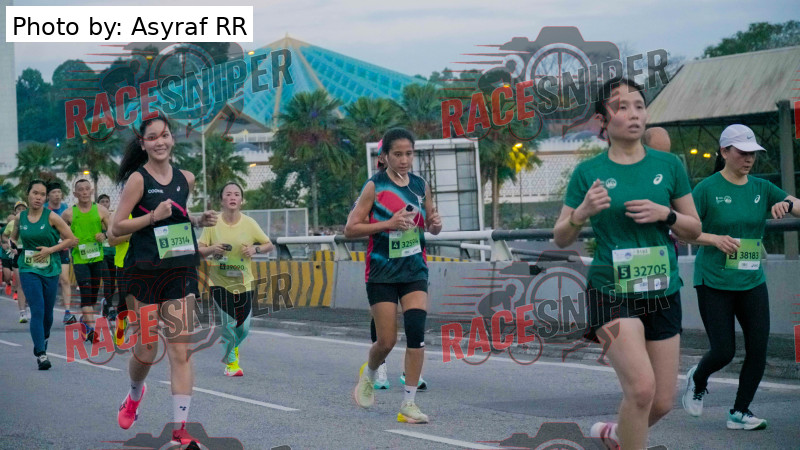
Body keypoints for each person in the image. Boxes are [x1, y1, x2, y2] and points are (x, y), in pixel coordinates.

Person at [553, 78, 701, 449]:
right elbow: (561, 236)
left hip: (662, 290)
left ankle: (617, 434)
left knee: (662, 401)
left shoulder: (669, 165)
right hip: (611, 290)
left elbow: (695, 229)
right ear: (602, 119)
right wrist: (581, 213)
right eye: (621, 107)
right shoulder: (588, 173)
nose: (633, 114)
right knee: (641, 389)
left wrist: (666, 214)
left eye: (639, 105)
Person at [681, 124, 799, 430]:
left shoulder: (761, 188)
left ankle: (740, 412)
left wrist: (787, 204)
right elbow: (682, 232)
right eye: (742, 152)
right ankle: (698, 378)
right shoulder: (706, 189)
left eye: (753, 154)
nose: (749, 159)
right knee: (724, 351)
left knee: (758, 349)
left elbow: (799, 206)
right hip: (713, 281)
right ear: (724, 152)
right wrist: (714, 240)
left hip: (751, 280)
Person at [112, 114, 217, 446]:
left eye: (165, 135)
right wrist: (151, 217)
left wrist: (197, 219)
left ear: (172, 139)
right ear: (143, 143)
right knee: (147, 349)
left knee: (181, 350)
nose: (160, 142)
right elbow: (116, 228)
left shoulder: (187, 178)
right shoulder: (137, 180)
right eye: (153, 137)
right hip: (144, 272)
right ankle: (134, 394)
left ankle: (180, 429)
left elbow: (177, 217)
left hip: (179, 268)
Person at [346, 128, 442, 424]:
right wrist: (387, 223)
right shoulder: (374, 186)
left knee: (416, 334)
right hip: (382, 272)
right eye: (397, 154)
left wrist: (435, 224)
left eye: (409, 154)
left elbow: (430, 224)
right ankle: (369, 373)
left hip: (414, 269)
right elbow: (351, 228)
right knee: (386, 341)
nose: (404, 160)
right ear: (385, 156)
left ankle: (409, 404)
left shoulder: (420, 185)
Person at [198, 182, 273, 377]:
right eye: (228, 194)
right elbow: (199, 250)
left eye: (236, 194)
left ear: (241, 200)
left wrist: (255, 249)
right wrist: (213, 249)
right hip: (219, 281)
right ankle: (231, 363)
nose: (232, 197)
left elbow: (268, 244)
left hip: (244, 282)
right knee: (229, 322)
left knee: (244, 327)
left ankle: (234, 347)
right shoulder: (212, 224)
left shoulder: (249, 223)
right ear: (222, 200)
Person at [12, 180, 78, 370]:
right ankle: (41, 354)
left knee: (48, 315)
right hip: (28, 268)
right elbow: (13, 238)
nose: (38, 197)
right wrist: (12, 246)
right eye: (35, 193)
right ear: (28, 194)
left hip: (50, 269)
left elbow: (72, 239)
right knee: (38, 310)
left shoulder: (52, 217)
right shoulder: (20, 218)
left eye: (42, 194)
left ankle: (43, 339)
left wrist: (51, 249)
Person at [61, 179, 111, 342]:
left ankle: (84, 320)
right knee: (85, 292)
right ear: (75, 194)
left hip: (97, 257)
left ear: (91, 191)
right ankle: (91, 329)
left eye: (87, 189)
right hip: (79, 259)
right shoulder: (68, 213)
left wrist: (104, 235)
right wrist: (69, 239)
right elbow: (60, 231)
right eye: (80, 190)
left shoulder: (101, 210)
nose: (84, 192)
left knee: (93, 295)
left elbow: (112, 229)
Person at [45, 181, 75, 325]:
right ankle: (44, 309)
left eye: (59, 192)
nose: (57, 195)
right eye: (54, 192)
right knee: (48, 281)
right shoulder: (44, 210)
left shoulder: (66, 209)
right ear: (48, 196)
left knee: (65, 279)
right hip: (47, 251)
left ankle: (67, 312)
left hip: (62, 249)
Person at [4, 202, 30, 321]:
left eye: (23, 209)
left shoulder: (31, 222)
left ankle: (28, 306)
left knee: (30, 283)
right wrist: (10, 246)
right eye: (18, 209)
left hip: (29, 253)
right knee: (20, 284)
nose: (21, 211)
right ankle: (22, 312)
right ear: (15, 212)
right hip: (17, 253)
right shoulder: (12, 223)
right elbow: (5, 236)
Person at [97, 194, 120, 320]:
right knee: (107, 280)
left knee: (112, 281)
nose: (105, 204)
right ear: (98, 204)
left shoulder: (113, 217)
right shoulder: (96, 219)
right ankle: (111, 307)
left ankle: (106, 303)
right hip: (102, 254)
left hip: (113, 253)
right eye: (102, 201)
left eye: (107, 201)